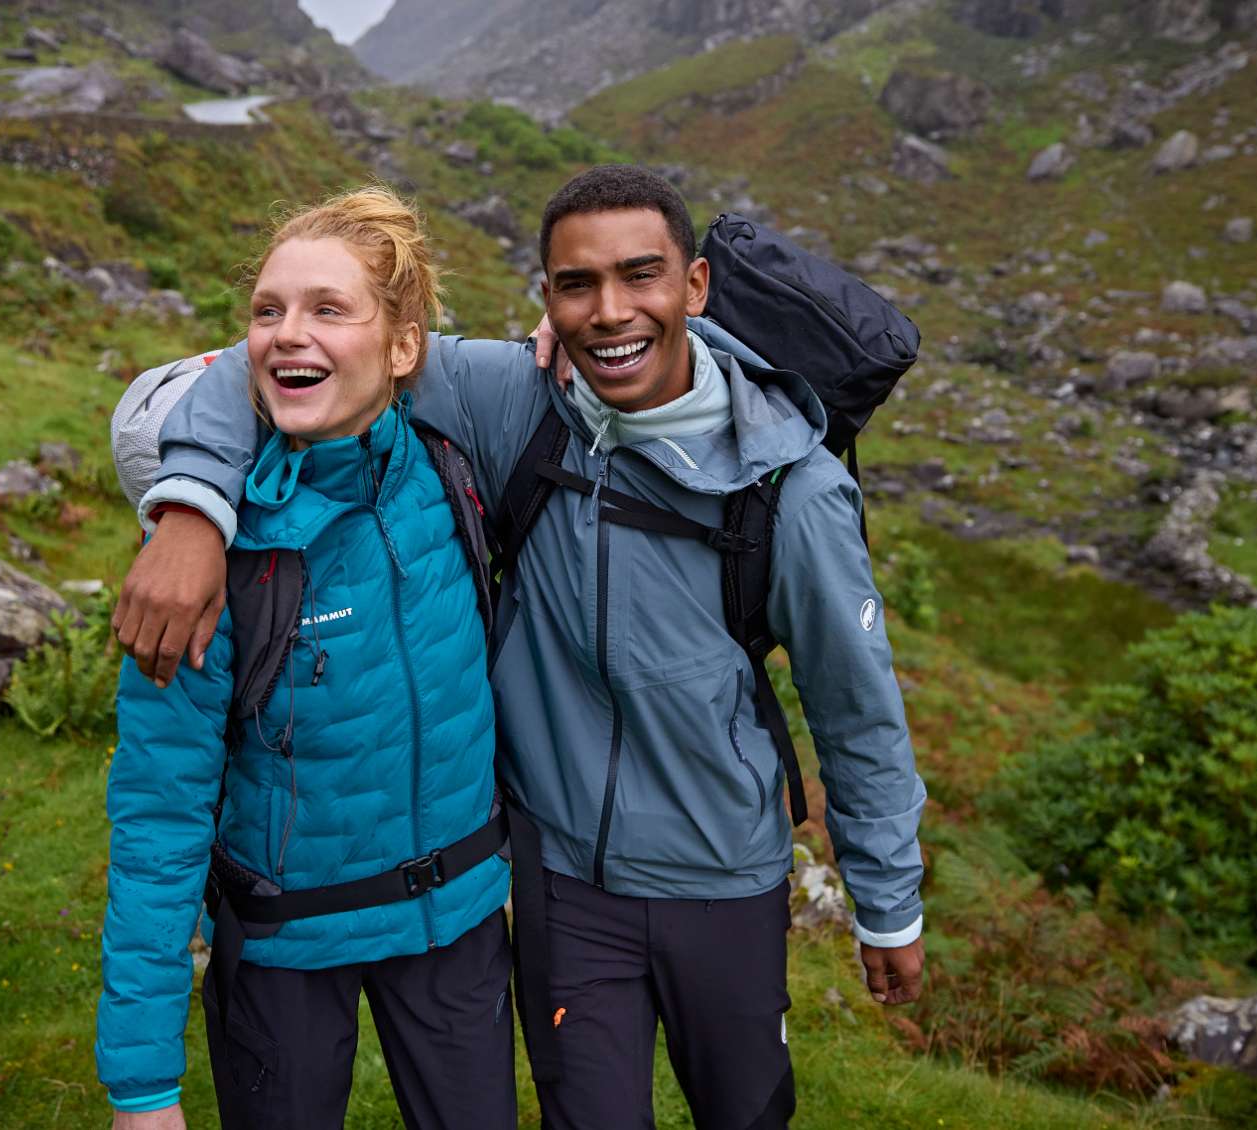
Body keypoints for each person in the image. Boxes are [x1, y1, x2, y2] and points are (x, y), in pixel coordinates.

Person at [113, 164, 928, 1129]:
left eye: (641, 278)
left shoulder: (790, 488)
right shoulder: (519, 404)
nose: (609, 312)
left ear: (696, 288)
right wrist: (195, 511)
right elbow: (266, 363)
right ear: (547, 298)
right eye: (577, 286)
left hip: (725, 875)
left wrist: (886, 898)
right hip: (559, 875)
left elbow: (855, 705)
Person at [97, 188, 515, 1129]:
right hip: (280, 953)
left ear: (403, 347)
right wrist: (142, 1085)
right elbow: (158, 819)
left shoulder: (456, 468)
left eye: (329, 309)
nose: (289, 334)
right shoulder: (201, 560)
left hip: (459, 929)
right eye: (268, 311)